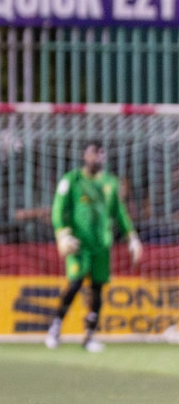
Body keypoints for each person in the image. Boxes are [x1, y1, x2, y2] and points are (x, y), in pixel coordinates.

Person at [45, 142, 140, 353]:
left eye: (100, 154)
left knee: (97, 289)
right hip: (78, 244)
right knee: (75, 283)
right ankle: (55, 327)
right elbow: (58, 209)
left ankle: (89, 336)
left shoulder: (110, 183)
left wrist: (131, 236)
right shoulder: (72, 180)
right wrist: (62, 234)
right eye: (93, 153)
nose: (96, 158)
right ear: (85, 155)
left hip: (102, 246)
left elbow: (120, 213)